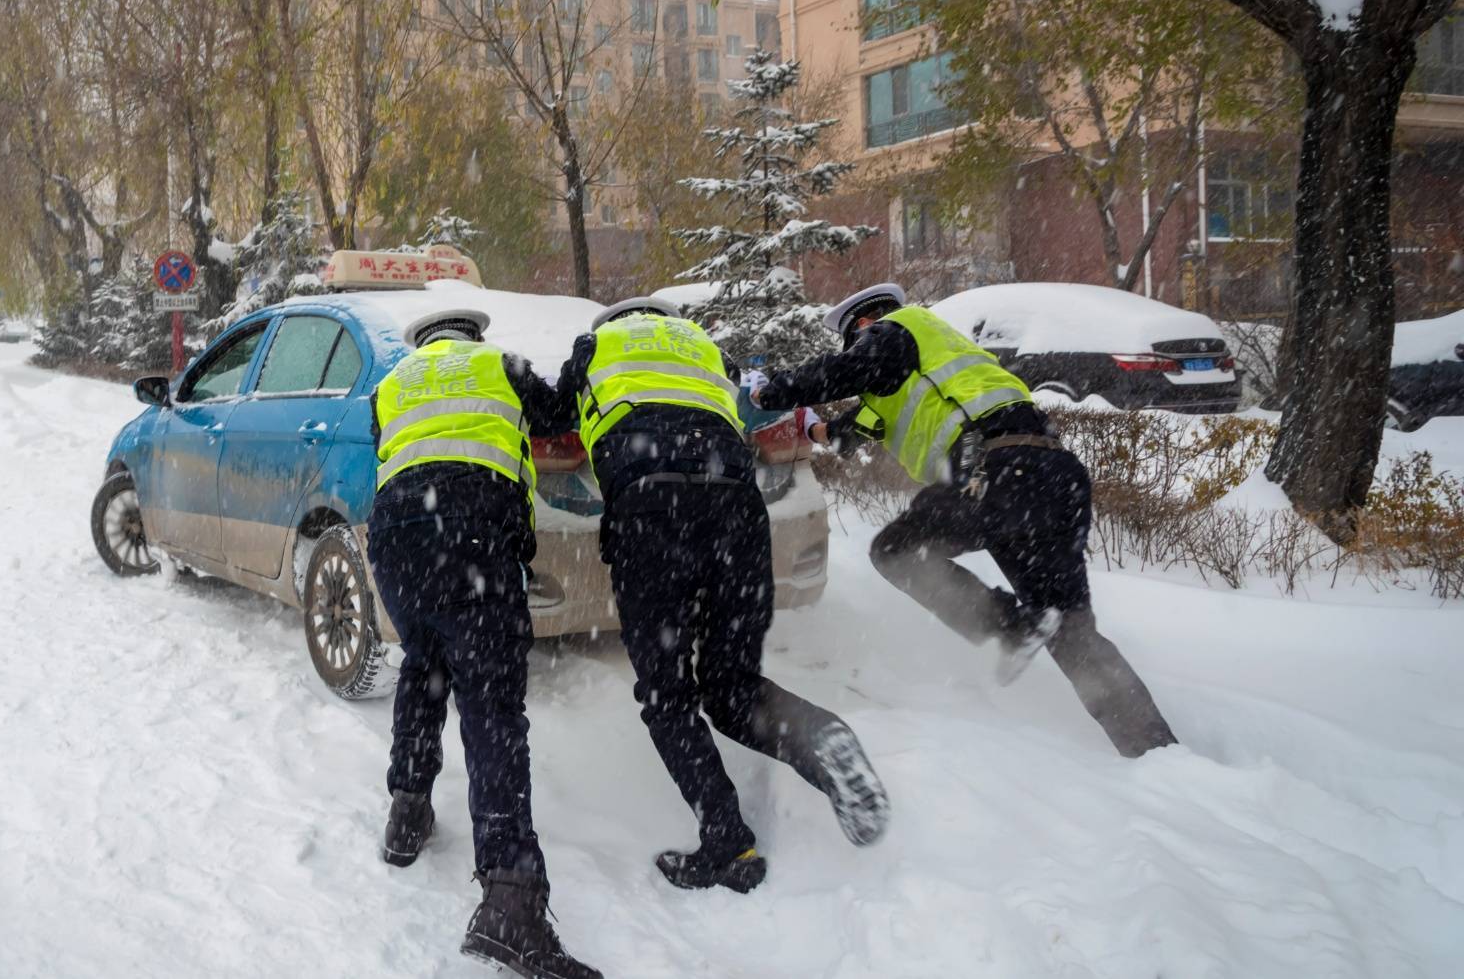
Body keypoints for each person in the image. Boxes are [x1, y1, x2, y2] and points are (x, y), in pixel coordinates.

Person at [751, 283, 1177, 758]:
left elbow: (847, 370)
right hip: (1051, 476)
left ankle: (1012, 628)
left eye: (855, 339)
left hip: (994, 469)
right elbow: (845, 432)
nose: (856, 348)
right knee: (1070, 630)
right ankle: (1157, 751)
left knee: (896, 551)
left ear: (866, 325)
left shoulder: (901, 329)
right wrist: (811, 425)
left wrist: (771, 389)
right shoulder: (913, 376)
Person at [557, 298, 890, 896]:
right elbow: (763, 404)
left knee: (668, 696)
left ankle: (728, 843)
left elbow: (551, 413)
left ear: (613, 325)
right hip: (737, 510)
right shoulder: (706, 353)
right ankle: (821, 738)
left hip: (651, 506)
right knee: (731, 686)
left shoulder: (595, 348)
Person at [369, 309, 600, 979]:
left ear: (424, 344)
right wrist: (584, 354)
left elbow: (387, 447)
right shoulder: (500, 364)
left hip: (398, 536)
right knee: (492, 706)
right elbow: (558, 414)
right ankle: (510, 902)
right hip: (472, 529)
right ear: (472, 335)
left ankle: (407, 812)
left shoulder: (394, 382)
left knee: (424, 663)